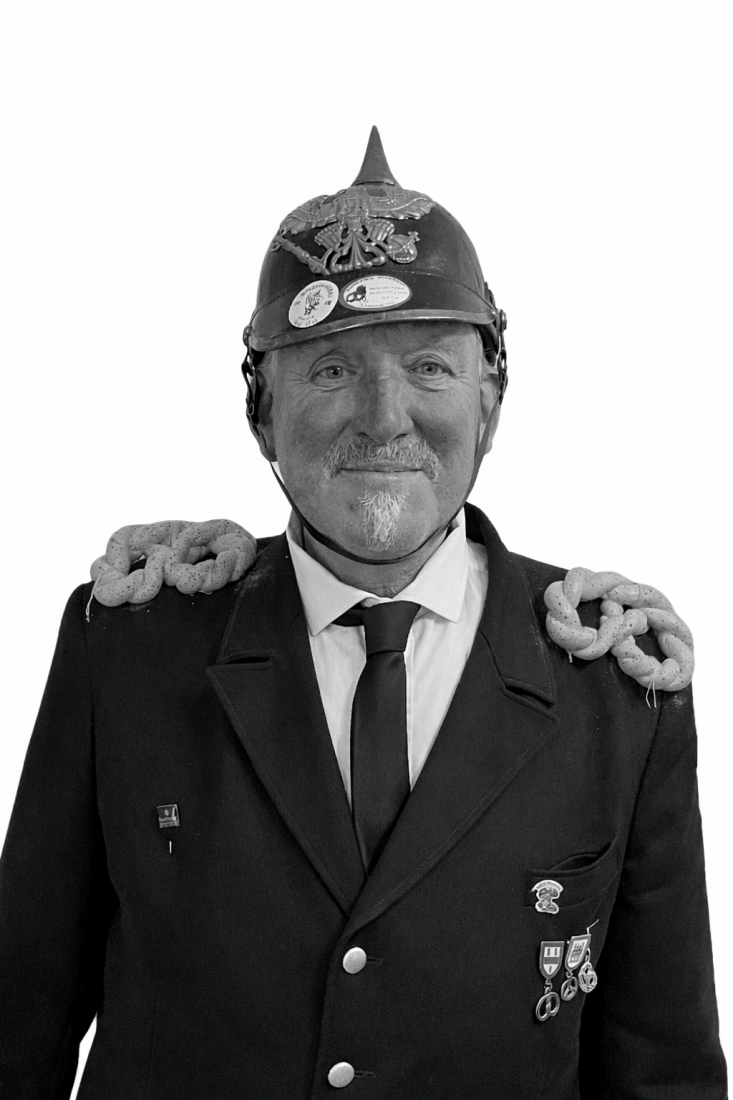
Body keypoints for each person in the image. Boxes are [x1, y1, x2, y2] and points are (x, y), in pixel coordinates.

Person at [0, 129, 726, 1099]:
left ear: (490, 401)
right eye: (332, 370)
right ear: (260, 410)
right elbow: (17, 1027)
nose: (384, 418)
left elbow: (663, 1075)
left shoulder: (616, 690)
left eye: (428, 366)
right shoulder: (129, 649)